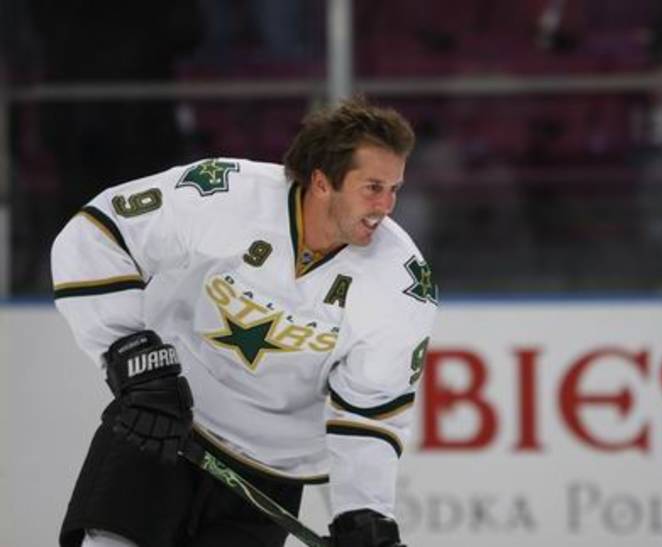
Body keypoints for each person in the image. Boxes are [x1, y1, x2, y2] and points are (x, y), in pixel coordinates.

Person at [51, 96, 439, 547]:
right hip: (161, 418)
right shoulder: (226, 195)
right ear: (321, 181)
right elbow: (98, 234)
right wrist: (133, 359)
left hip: (267, 472)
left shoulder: (402, 284)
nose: (386, 205)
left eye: (395, 189)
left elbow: (371, 409)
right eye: (373, 187)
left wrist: (364, 515)